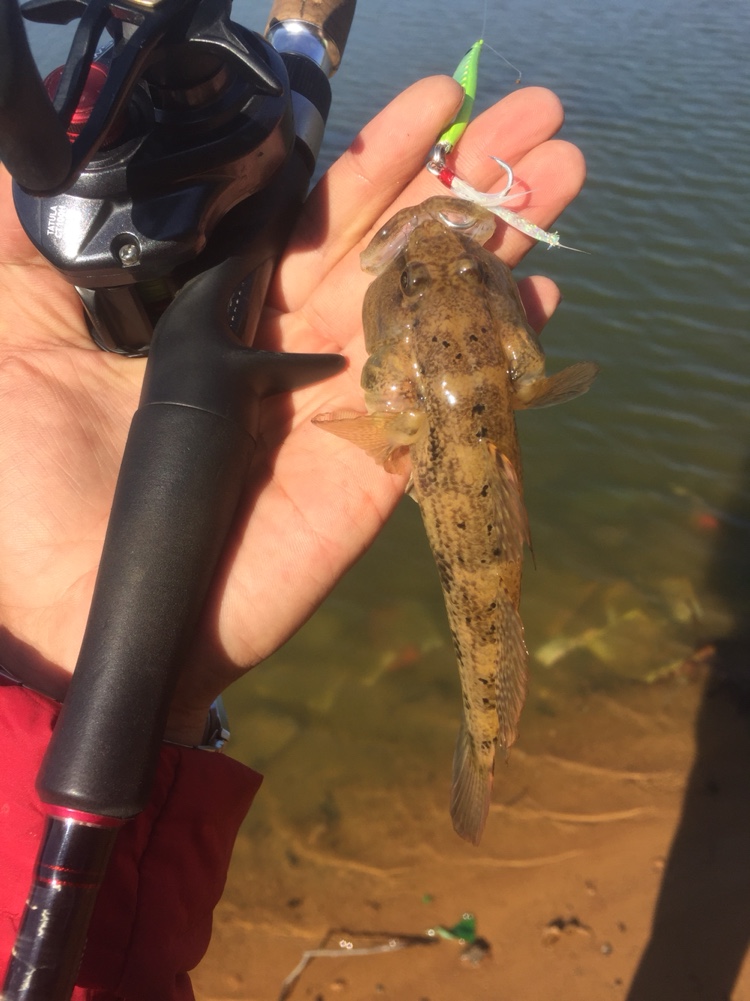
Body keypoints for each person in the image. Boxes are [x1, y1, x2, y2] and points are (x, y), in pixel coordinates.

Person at [0, 77, 585, 999]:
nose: (442, 259)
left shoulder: (387, 398)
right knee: (492, 608)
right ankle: (484, 735)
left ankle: (486, 736)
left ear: (391, 395)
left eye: (462, 271)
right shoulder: (507, 356)